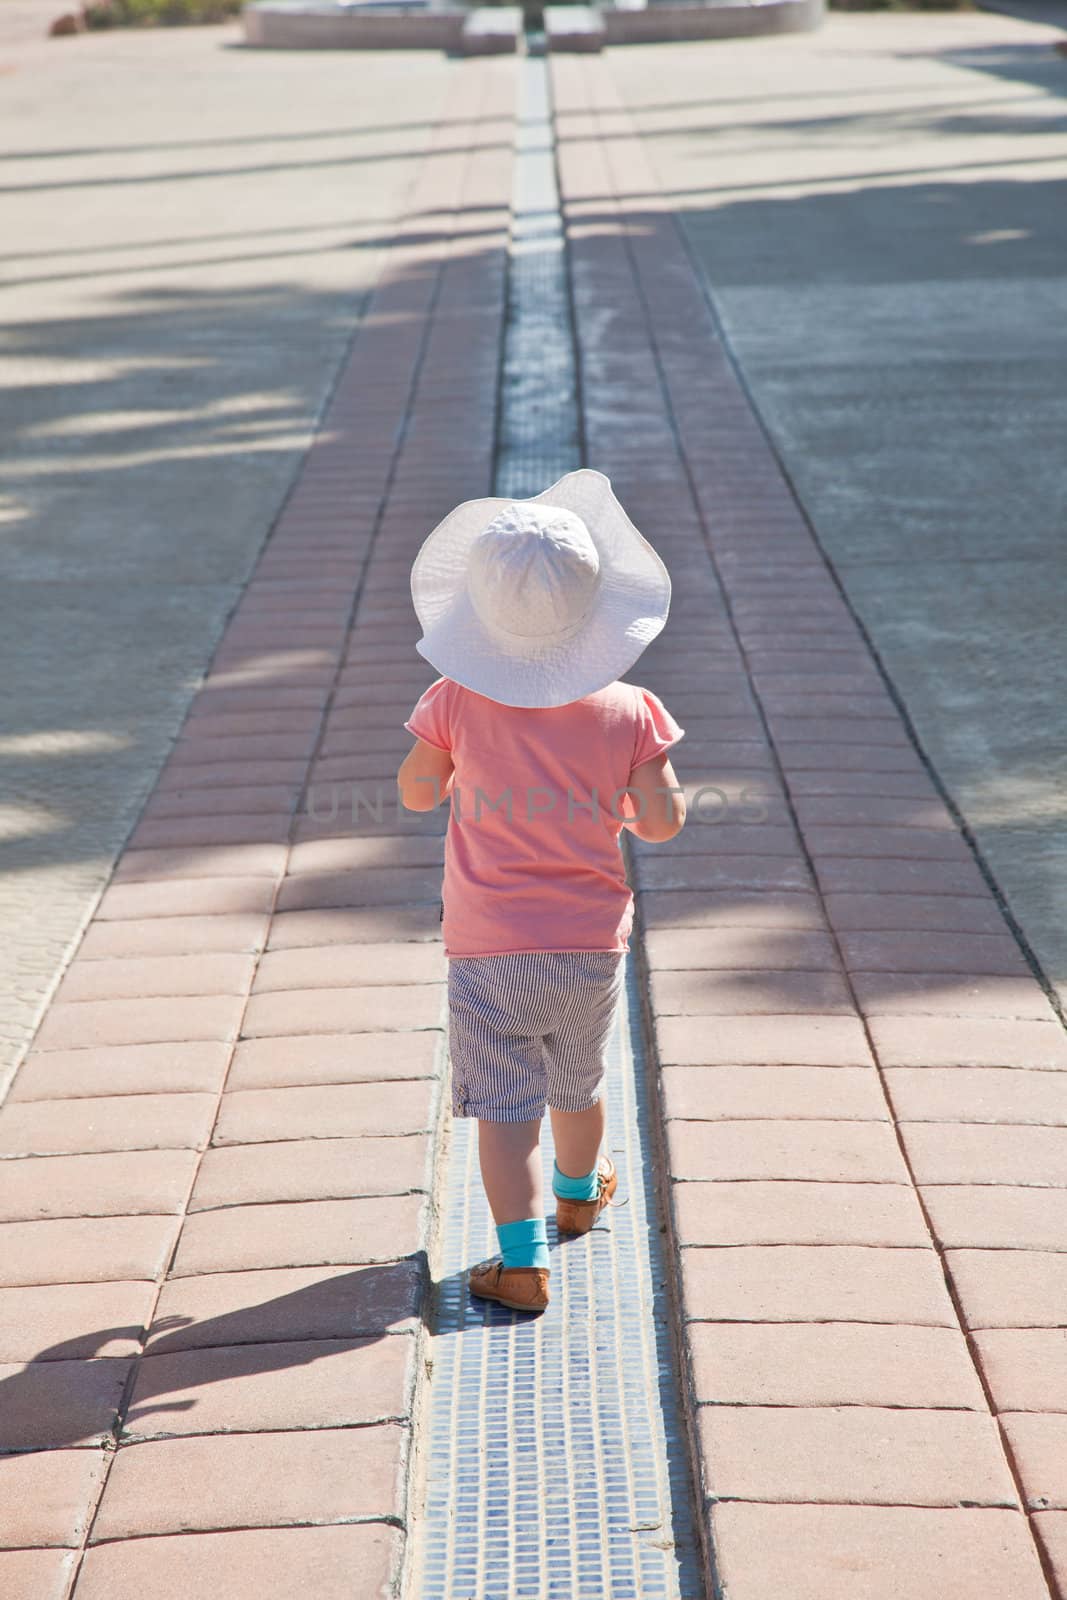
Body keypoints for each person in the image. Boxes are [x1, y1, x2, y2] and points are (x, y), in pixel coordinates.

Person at [396, 469, 686, 1316]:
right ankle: (578, 1192)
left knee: (504, 1112)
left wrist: (449, 760)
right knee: (578, 1083)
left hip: (486, 945)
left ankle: (520, 1263)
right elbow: (661, 824)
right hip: (590, 940)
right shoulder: (631, 709)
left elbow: (416, 794)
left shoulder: (454, 698)